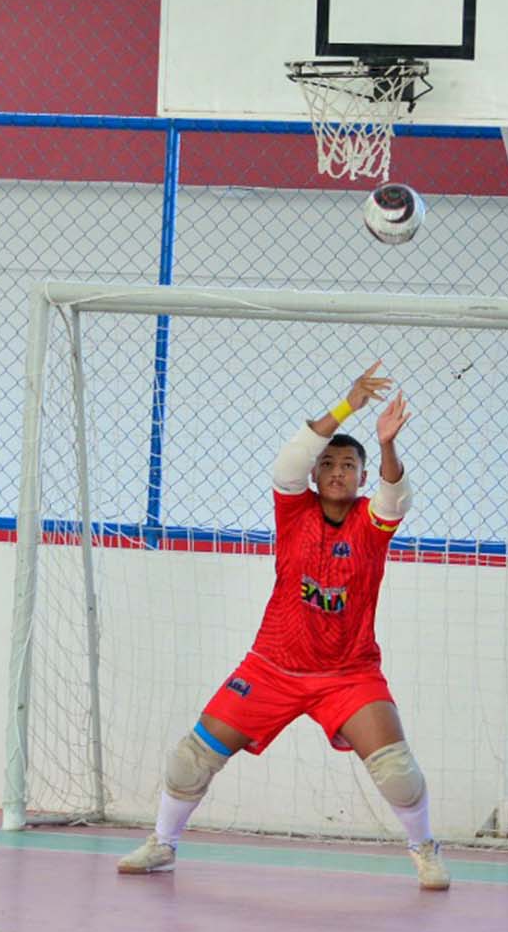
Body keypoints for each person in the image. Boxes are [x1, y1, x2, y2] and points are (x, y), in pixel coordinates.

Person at [116, 364, 447, 891]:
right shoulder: (294, 512)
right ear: (316, 476)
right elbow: (289, 460)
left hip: (349, 673)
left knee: (397, 772)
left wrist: (385, 445)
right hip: (272, 667)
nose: (337, 471)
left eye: (349, 465)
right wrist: (347, 406)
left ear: (361, 478)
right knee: (190, 761)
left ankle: (424, 847)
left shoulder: (370, 522)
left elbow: (395, 497)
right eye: (329, 464)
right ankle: (163, 844)